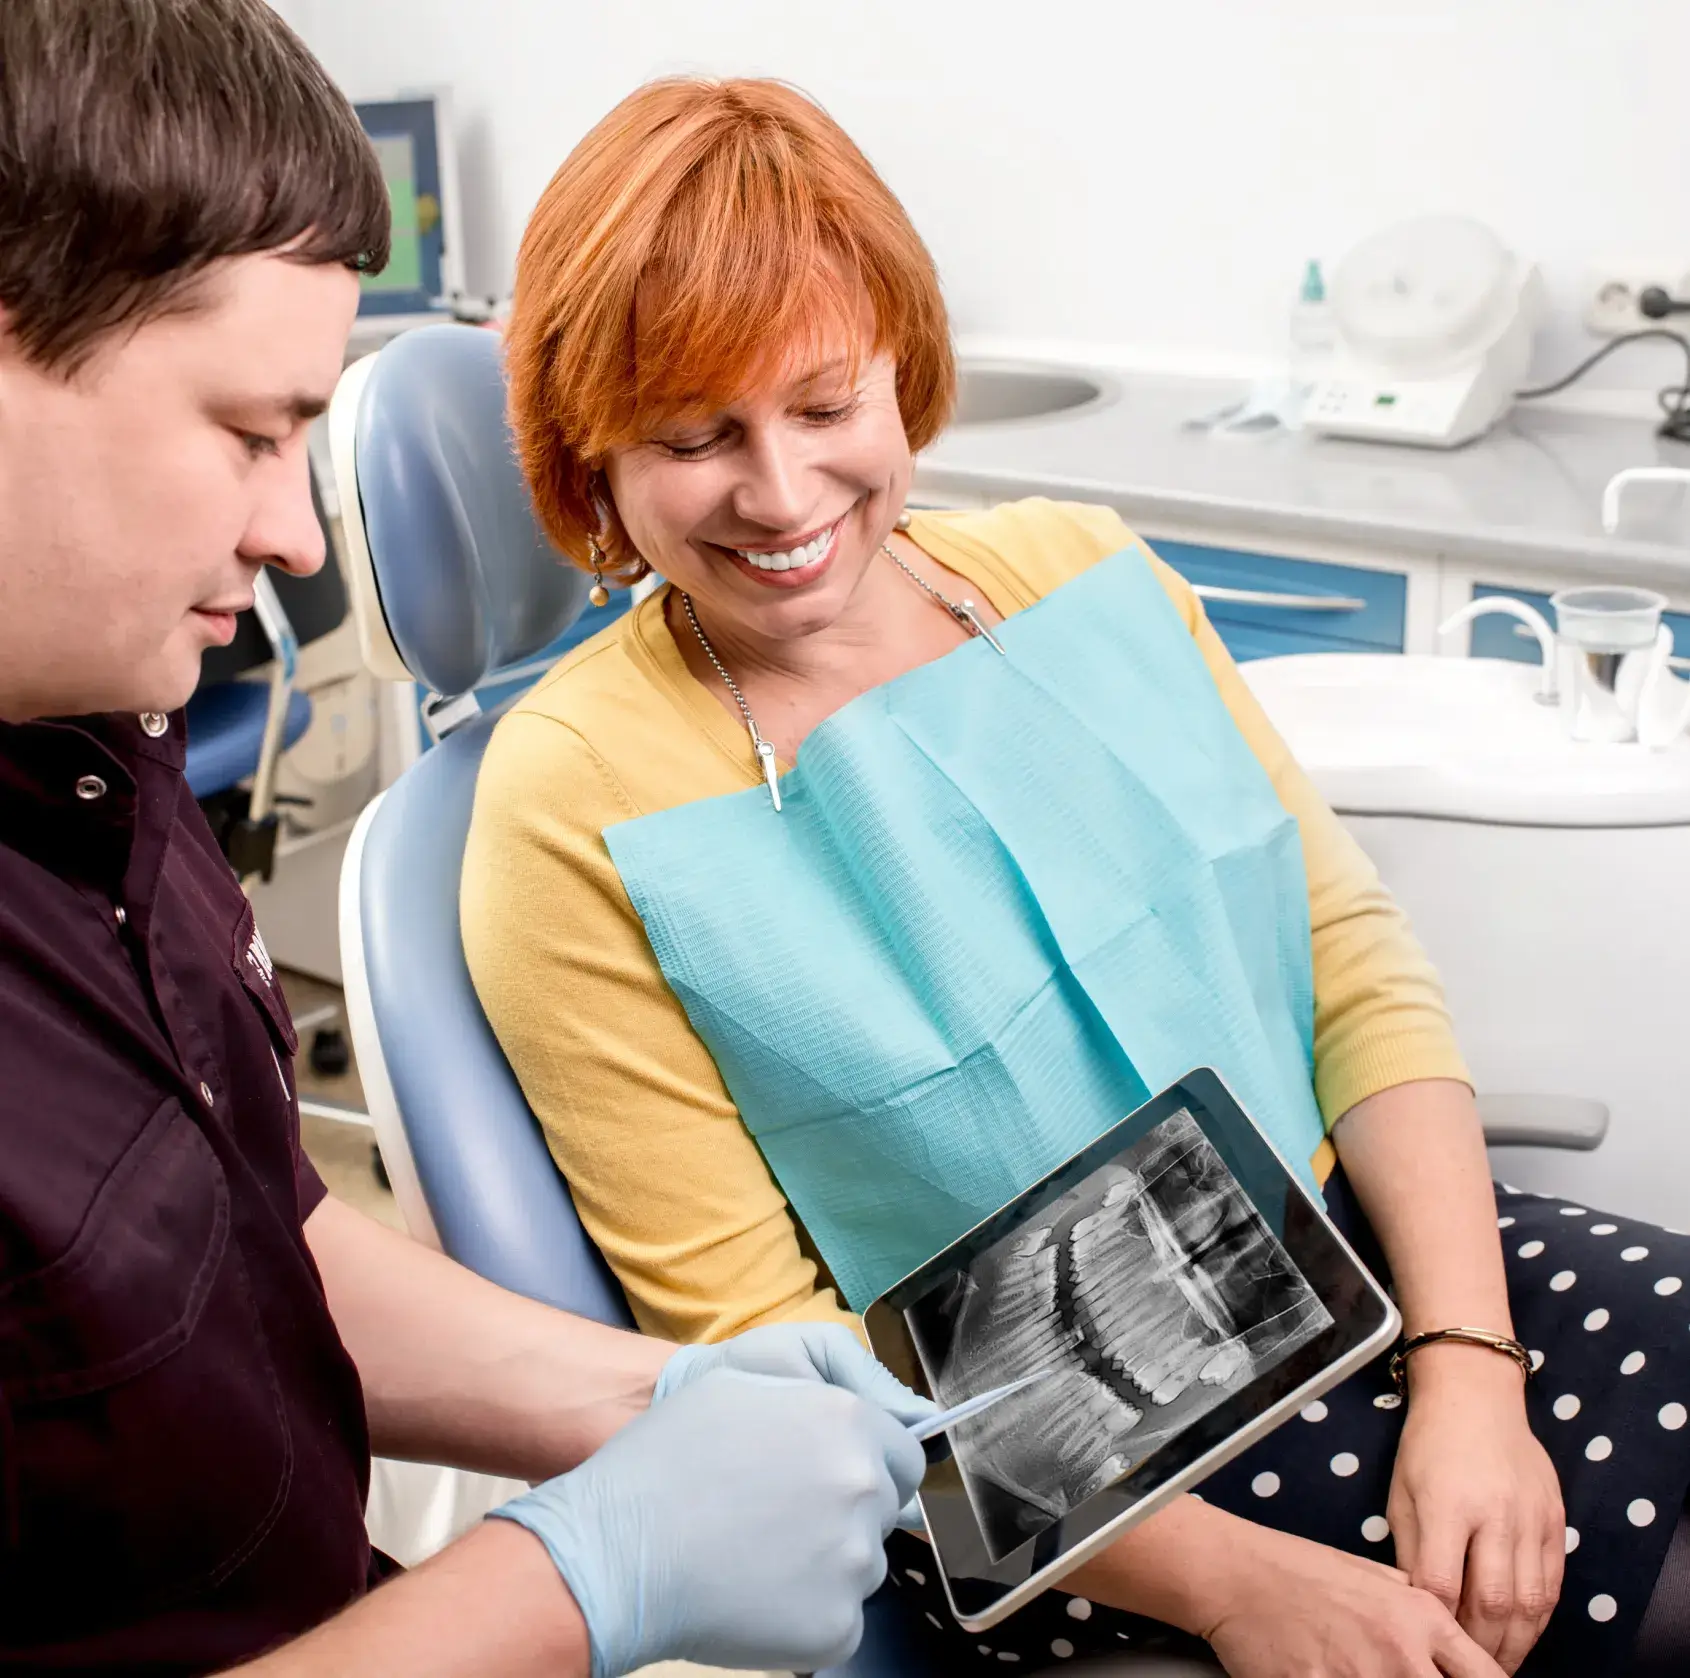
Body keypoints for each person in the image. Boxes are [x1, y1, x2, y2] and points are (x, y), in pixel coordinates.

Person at [461, 75, 1690, 1678]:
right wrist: (1247, 1587)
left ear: (900, 365)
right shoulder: (570, 801)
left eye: (824, 405)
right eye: (695, 439)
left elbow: (1349, 967)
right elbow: (768, 1360)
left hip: (1360, 1261)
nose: (778, 494)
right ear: (592, 459)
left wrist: (1469, 1364)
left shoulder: (1081, 569)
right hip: (1044, 1468)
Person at [0, 8, 934, 1675]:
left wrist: (644, 1396)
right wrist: (571, 1583)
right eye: (249, 430)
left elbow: (231, 1243)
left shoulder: (93, 741)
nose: (295, 533)